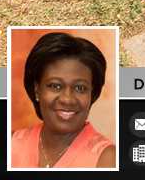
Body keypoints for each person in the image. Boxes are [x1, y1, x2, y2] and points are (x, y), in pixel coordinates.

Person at [11, 32, 116, 169]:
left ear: (92, 94)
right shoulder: (10, 143)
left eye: (80, 88)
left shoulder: (108, 158)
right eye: (56, 86)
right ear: (37, 90)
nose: (67, 99)